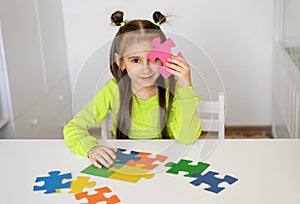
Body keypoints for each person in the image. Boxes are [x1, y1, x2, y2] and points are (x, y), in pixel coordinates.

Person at [63, 10, 201, 168]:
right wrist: (91, 148)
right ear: (120, 62)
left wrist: (185, 86)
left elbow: (187, 138)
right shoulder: (112, 90)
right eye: (135, 60)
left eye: (154, 59)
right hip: (125, 164)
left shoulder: (174, 89)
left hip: (166, 164)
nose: (146, 68)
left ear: (165, 57)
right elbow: (73, 127)